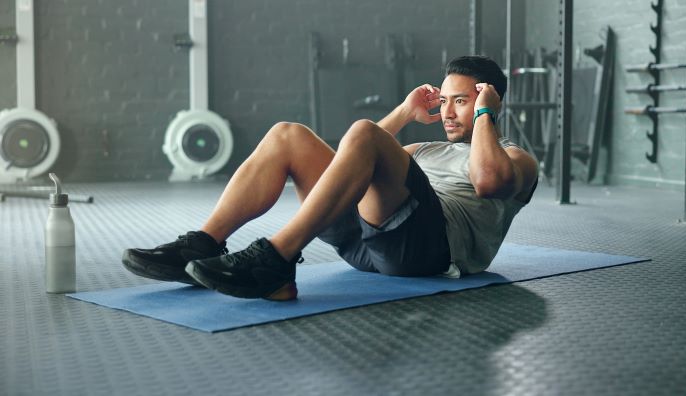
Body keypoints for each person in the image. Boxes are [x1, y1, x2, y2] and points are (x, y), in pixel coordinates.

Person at [122, 55, 538, 301]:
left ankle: (276, 260)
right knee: (289, 135)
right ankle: (202, 243)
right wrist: (405, 114)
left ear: (489, 102)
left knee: (363, 131)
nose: (447, 112)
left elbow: (487, 182)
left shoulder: (516, 159)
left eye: (460, 101)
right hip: (366, 245)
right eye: (444, 101)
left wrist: (485, 112)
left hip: (424, 252)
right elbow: (347, 168)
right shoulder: (425, 150)